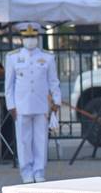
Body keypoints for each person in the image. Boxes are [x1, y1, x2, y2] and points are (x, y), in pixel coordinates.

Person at [4, 22, 61, 183]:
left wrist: (56, 100)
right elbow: (9, 85)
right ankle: (26, 172)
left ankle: (39, 171)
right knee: (23, 140)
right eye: (27, 37)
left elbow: (53, 81)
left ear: (37, 37)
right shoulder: (12, 57)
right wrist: (11, 105)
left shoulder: (47, 57)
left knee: (40, 140)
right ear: (22, 38)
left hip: (41, 105)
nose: (30, 40)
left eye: (33, 37)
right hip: (21, 106)